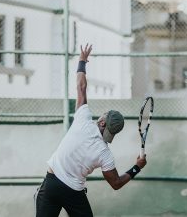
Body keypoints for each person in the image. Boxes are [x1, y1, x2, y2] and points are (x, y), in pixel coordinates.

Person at [35, 44, 147, 217]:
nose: (100, 116)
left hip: (51, 184)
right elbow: (116, 183)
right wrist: (137, 167)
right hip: (73, 191)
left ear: (102, 123)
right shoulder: (105, 154)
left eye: (102, 116)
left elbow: (81, 87)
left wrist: (82, 61)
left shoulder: (83, 119)